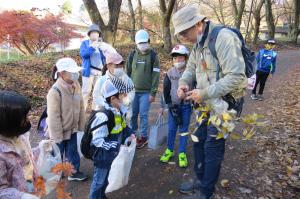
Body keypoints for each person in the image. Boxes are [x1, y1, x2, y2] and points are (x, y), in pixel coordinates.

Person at [172, 5, 247, 199]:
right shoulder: (197, 43)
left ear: (198, 24)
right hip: (205, 103)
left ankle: (206, 192)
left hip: (226, 105)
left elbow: (237, 76)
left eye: (184, 32)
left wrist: (205, 92)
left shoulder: (224, 38)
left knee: (212, 147)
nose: (183, 38)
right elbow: (190, 69)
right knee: (198, 141)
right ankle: (200, 180)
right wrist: (183, 84)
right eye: (180, 34)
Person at [89, 79, 135, 199]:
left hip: (112, 154)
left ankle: (101, 196)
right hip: (103, 156)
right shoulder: (103, 116)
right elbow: (98, 141)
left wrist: (130, 134)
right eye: (123, 96)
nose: (125, 98)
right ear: (112, 99)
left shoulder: (118, 111)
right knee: (99, 182)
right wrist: (117, 146)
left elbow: (123, 127)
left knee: (105, 180)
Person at [46, 57, 87, 181]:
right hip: (59, 130)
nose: (76, 74)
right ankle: (55, 174)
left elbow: (80, 105)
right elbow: (53, 116)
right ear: (62, 73)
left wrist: (81, 125)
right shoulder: (55, 91)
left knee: (73, 152)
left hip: (72, 128)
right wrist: (57, 136)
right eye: (72, 71)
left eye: (76, 71)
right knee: (57, 154)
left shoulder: (76, 85)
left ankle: (73, 172)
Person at [0, 91, 39, 199]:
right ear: (9, 121)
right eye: (24, 118)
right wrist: (21, 196)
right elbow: (1, 190)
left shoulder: (20, 137)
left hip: (31, 188)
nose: (28, 120)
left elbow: (26, 159)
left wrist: (41, 149)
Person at [125, 29, 160, 149]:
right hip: (133, 92)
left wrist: (153, 92)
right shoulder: (132, 55)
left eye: (144, 42)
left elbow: (156, 75)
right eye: (139, 43)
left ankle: (143, 137)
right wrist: (125, 90)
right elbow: (127, 73)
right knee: (133, 114)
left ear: (148, 41)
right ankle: (133, 135)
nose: (142, 45)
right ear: (136, 43)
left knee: (144, 115)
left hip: (146, 92)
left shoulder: (153, 56)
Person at [159, 45, 192, 168]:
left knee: (183, 129)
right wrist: (166, 105)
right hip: (173, 106)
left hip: (186, 107)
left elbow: (197, 87)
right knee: (171, 129)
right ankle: (169, 149)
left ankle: (182, 153)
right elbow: (166, 90)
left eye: (180, 58)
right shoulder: (169, 73)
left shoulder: (191, 72)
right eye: (175, 58)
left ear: (185, 58)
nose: (178, 61)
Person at [93, 50, 135, 126]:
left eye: (121, 65)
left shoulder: (127, 79)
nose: (119, 67)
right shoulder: (102, 81)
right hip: (107, 116)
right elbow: (96, 96)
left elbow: (131, 92)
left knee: (124, 134)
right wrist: (108, 104)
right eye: (116, 65)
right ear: (108, 66)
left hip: (125, 115)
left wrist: (126, 100)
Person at [80, 24, 106, 111]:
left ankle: (95, 110)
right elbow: (84, 55)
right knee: (86, 92)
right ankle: (82, 111)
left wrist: (104, 50)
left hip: (99, 72)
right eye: (93, 32)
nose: (95, 34)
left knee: (97, 92)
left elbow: (104, 58)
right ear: (89, 34)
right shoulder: (85, 43)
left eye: (97, 33)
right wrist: (92, 47)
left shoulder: (101, 44)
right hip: (88, 72)